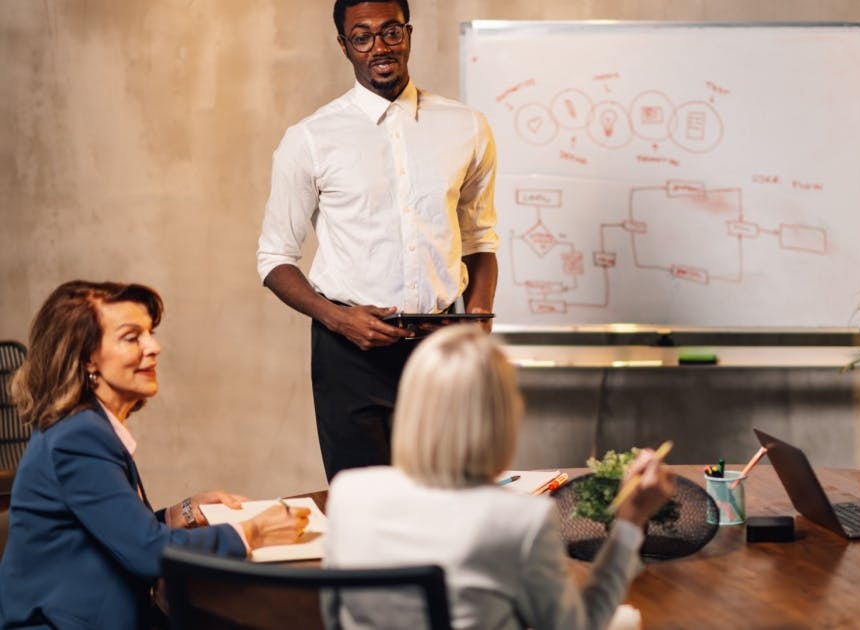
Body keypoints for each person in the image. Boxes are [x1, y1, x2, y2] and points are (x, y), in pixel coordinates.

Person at [256, 0, 499, 481]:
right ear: (345, 46)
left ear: (408, 33)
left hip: (441, 345)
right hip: (349, 354)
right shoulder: (309, 139)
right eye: (362, 37)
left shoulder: (467, 127)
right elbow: (274, 259)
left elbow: (480, 238)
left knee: (451, 496)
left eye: (391, 32)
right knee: (366, 506)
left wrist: (477, 321)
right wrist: (338, 319)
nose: (380, 48)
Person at [0, 281, 309, 629]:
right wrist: (251, 532)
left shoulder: (87, 426)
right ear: (87, 357)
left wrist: (182, 513)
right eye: (132, 337)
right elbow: (149, 553)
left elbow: (117, 529)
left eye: (150, 333)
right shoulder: (78, 436)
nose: (154, 347)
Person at [322, 325, 674, 629]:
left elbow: (333, 617)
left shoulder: (348, 493)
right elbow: (577, 626)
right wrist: (630, 522)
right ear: (503, 417)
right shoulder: (520, 521)